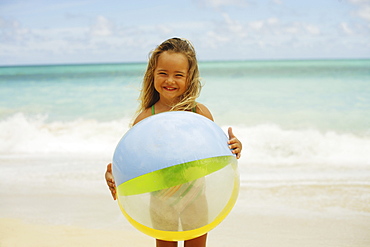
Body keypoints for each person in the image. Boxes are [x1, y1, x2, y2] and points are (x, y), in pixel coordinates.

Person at [105, 37, 242, 247]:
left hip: (195, 194)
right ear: (152, 75)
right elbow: (133, 158)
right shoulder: (145, 119)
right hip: (161, 197)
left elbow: (216, 151)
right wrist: (111, 172)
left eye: (178, 75)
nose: (170, 80)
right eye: (163, 73)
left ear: (190, 78)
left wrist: (234, 146)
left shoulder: (199, 113)